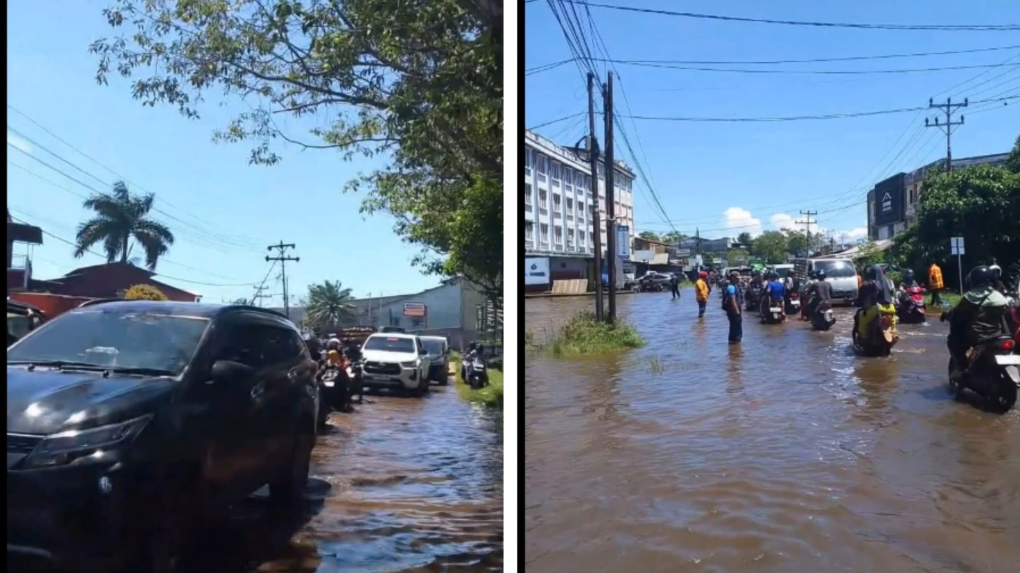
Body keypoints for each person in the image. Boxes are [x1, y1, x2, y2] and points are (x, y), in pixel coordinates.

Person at [941, 265, 1014, 381]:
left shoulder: (970, 298)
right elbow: (1008, 317)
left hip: (978, 338)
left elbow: (957, 316)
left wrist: (948, 316)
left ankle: (961, 367)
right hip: (999, 336)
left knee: (953, 341)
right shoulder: (1000, 297)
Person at [856, 264, 897, 339]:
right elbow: (894, 294)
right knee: (893, 322)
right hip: (891, 308)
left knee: (862, 320)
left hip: (877, 309)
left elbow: (861, 297)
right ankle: (894, 335)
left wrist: (857, 302)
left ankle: (864, 338)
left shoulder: (868, 284)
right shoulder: (888, 282)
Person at [723, 271, 743, 344]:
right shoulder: (731, 287)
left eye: (739, 278)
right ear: (732, 278)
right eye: (737, 278)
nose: (739, 280)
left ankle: (733, 345)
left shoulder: (735, 286)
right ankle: (736, 345)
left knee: (734, 327)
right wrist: (737, 312)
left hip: (734, 311)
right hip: (734, 312)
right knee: (736, 329)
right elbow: (733, 301)